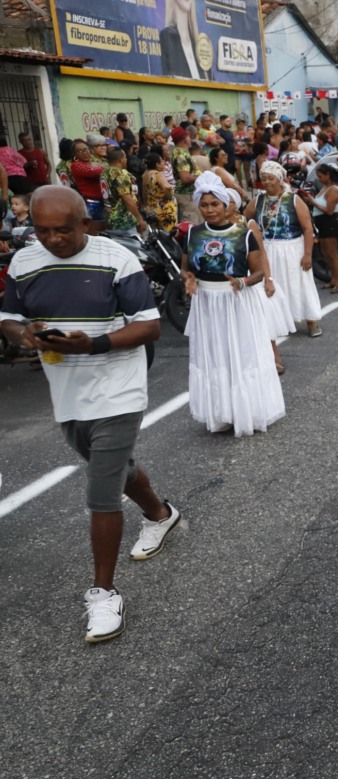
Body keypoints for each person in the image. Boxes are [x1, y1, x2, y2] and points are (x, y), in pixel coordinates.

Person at [0, 186, 180, 643]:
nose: (54, 239)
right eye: (43, 230)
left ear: (86, 223)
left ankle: (104, 593)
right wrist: (26, 336)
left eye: (64, 229)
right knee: (113, 466)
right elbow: (9, 317)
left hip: (118, 386)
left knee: (101, 487)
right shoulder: (24, 262)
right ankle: (160, 513)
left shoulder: (116, 259)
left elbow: (149, 325)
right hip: (67, 389)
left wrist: (95, 343)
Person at [182, 173, 285, 434]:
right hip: (206, 303)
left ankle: (248, 411)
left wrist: (243, 283)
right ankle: (221, 412)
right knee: (215, 356)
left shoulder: (243, 234)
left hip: (236, 302)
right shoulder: (192, 233)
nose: (209, 210)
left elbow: (259, 272)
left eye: (214, 204)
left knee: (242, 355)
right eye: (204, 205)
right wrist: (189, 279)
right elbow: (186, 269)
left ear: (226, 204)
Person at [247, 161, 322, 338]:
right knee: (271, 285)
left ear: (280, 179)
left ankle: (311, 321)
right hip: (266, 250)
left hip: (291, 249)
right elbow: (246, 221)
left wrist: (308, 254)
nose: (266, 182)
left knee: (298, 284)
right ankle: (275, 323)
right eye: (263, 178)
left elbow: (307, 228)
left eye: (270, 178)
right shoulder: (258, 200)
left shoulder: (294, 199)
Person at [306, 163, 338, 293]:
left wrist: (313, 202)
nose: (319, 179)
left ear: (328, 175)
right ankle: (333, 279)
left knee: (332, 253)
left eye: (320, 176)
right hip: (321, 223)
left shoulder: (333, 190)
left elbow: (329, 210)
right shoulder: (324, 188)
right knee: (325, 253)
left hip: (329, 222)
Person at [100, 148, 148, 236]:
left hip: (110, 219)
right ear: (121, 159)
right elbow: (127, 199)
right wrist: (140, 219)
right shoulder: (119, 174)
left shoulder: (104, 172)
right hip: (123, 222)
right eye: (125, 157)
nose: (126, 159)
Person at [140, 153, 177, 232]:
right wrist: (168, 197)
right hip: (163, 209)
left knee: (156, 233)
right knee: (168, 233)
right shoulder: (157, 174)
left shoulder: (145, 175)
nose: (164, 163)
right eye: (162, 161)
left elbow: (144, 194)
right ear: (157, 164)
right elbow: (167, 187)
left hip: (151, 208)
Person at [171, 128, 200, 224]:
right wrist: (202, 177)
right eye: (188, 137)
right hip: (186, 196)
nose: (190, 139)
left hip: (189, 195)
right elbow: (185, 178)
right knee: (191, 224)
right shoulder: (180, 155)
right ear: (185, 139)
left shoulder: (181, 152)